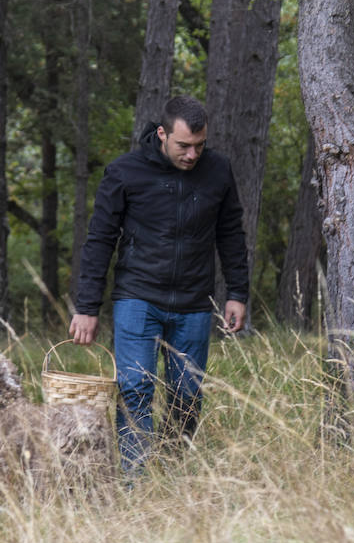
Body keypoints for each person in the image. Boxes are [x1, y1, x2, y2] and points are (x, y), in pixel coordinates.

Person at [70, 95, 249, 473]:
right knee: (135, 389)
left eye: (199, 146)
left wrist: (237, 292)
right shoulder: (125, 172)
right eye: (183, 146)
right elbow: (100, 239)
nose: (192, 155)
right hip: (137, 298)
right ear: (162, 133)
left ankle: (169, 472)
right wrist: (87, 307)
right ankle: (136, 482)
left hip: (195, 303)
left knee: (187, 396)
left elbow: (231, 233)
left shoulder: (218, 170)